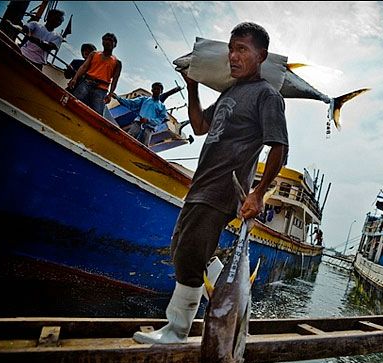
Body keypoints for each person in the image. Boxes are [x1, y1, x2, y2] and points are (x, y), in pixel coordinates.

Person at [133, 22, 289, 344]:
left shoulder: (267, 95)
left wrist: (258, 193)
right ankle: (235, 312)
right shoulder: (231, 92)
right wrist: (192, 87)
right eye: (231, 48)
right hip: (201, 184)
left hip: (223, 188)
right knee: (185, 247)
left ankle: (177, 331)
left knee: (189, 254)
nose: (233, 56)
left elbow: (279, 147)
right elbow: (201, 126)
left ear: (261, 56)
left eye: (242, 49)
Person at [67, 33, 122, 115]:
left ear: (115, 44)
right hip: (86, 83)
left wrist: (110, 94)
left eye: (110, 40)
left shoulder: (117, 63)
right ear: (102, 41)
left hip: (101, 89)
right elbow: (83, 67)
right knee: (73, 101)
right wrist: (75, 79)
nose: (107, 42)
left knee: (97, 113)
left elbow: (115, 80)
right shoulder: (94, 54)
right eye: (105, 39)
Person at [111, 82, 168, 146]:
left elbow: (160, 119)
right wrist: (118, 98)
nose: (156, 91)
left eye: (158, 89)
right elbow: (131, 103)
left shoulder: (162, 107)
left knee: (143, 147)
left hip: (149, 129)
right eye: (155, 89)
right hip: (138, 124)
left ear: (161, 91)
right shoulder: (144, 99)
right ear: (152, 90)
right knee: (128, 140)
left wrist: (148, 120)